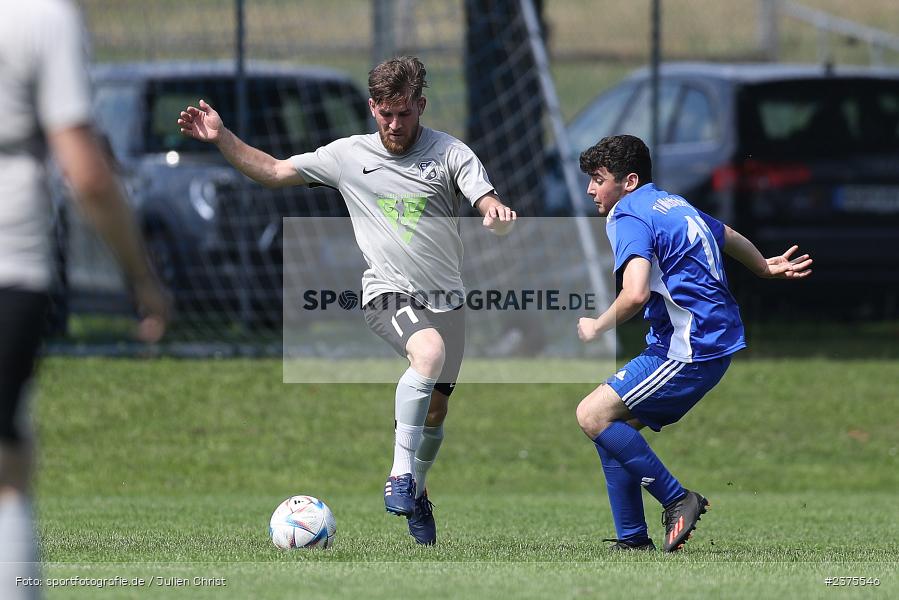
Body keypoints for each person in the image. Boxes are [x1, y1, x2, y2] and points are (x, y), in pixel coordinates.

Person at [178, 56, 515, 545]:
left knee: (436, 413)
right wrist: (222, 136)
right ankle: (399, 476)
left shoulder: (450, 154)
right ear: (372, 107)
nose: (394, 124)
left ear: (420, 105)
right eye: (384, 113)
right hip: (386, 292)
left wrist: (496, 214)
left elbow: (485, 199)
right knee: (428, 354)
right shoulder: (347, 154)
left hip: (448, 300)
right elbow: (273, 170)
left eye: (404, 113)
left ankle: (417, 490)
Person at [0, 0, 169, 594]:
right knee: (8, 466)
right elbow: (88, 173)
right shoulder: (43, 17)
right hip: (10, 265)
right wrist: (141, 277)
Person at [574, 135, 811, 552]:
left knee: (591, 415)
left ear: (628, 181)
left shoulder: (627, 214)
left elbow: (635, 294)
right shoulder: (671, 203)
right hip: (706, 341)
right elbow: (728, 234)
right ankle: (632, 539)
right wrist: (762, 268)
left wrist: (597, 327)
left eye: (598, 179)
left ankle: (677, 499)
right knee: (614, 430)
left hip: (689, 348)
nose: (591, 190)